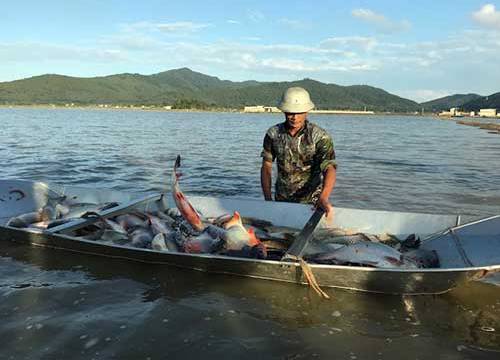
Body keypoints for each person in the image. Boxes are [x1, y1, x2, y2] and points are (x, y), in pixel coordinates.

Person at [260, 87, 336, 215]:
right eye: (290, 112)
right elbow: (266, 166)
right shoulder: (273, 134)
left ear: (307, 111)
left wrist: (324, 197)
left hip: (312, 203)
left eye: (299, 112)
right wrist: (268, 199)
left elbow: (330, 167)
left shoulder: (319, 136)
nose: (295, 117)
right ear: (283, 111)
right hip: (281, 200)